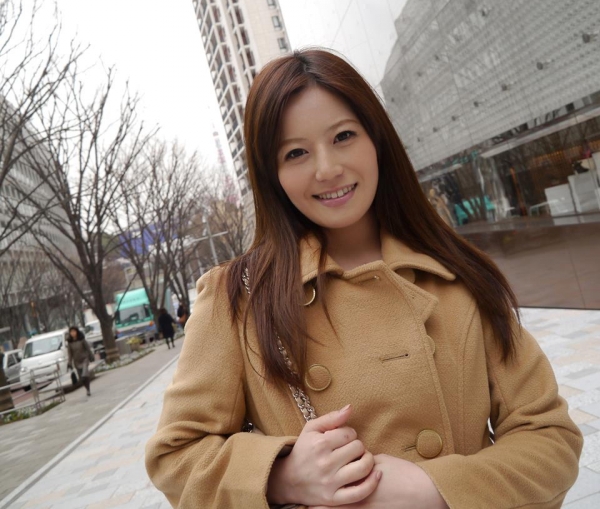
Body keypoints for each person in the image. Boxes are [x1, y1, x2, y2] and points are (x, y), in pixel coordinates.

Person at [145, 49, 582, 509]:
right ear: (273, 175)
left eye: (343, 136)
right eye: (296, 153)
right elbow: (175, 456)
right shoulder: (238, 298)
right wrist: (282, 475)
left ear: (376, 139)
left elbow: (551, 439)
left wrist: (432, 489)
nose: (327, 169)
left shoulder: (458, 274)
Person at [67, 326, 94, 397]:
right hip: (77, 361)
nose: (73, 333)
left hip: (84, 359)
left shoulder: (82, 339)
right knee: (82, 379)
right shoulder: (70, 342)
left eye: (74, 331)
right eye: (71, 332)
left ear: (77, 332)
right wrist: (69, 362)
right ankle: (87, 388)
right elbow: (70, 354)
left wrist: (91, 356)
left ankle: (88, 390)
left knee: (84, 374)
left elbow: (88, 348)